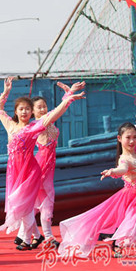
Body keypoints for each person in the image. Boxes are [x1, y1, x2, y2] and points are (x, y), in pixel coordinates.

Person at [58, 88, 136, 258]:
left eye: (134, 137)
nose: (132, 141)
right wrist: (112, 172)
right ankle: (121, 245)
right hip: (132, 201)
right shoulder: (125, 159)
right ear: (119, 139)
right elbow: (122, 170)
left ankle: (126, 244)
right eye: (128, 138)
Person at [0, 77, 84, 250]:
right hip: (13, 172)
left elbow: (54, 114)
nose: (24, 112)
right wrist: (6, 92)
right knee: (19, 204)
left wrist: (68, 97)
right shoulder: (10, 125)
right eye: (21, 109)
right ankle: (34, 235)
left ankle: (28, 238)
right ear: (16, 111)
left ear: (32, 113)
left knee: (27, 204)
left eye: (27, 109)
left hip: (30, 170)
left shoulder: (35, 126)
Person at [30, 81, 85, 248]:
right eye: (38, 107)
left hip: (47, 166)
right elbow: (59, 110)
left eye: (44, 106)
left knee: (34, 205)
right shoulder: (39, 124)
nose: (43, 109)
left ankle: (35, 236)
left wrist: (69, 95)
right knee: (42, 203)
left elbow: (58, 110)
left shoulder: (48, 119)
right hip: (41, 167)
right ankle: (44, 236)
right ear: (32, 111)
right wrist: (68, 97)